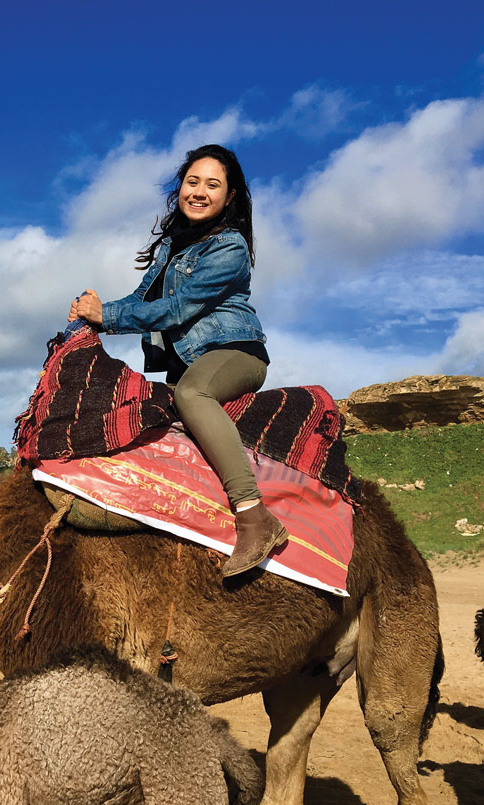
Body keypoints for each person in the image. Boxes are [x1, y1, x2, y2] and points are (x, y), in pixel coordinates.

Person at [69, 144, 287, 578]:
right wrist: (92, 313)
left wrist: (107, 316)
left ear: (230, 197)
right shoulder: (173, 245)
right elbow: (141, 300)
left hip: (234, 353)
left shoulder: (231, 248)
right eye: (193, 182)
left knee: (193, 393)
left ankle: (254, 515)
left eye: (213, 184)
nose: (200, 192)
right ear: (180, 189)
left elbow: (176, 309)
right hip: (186, 361)